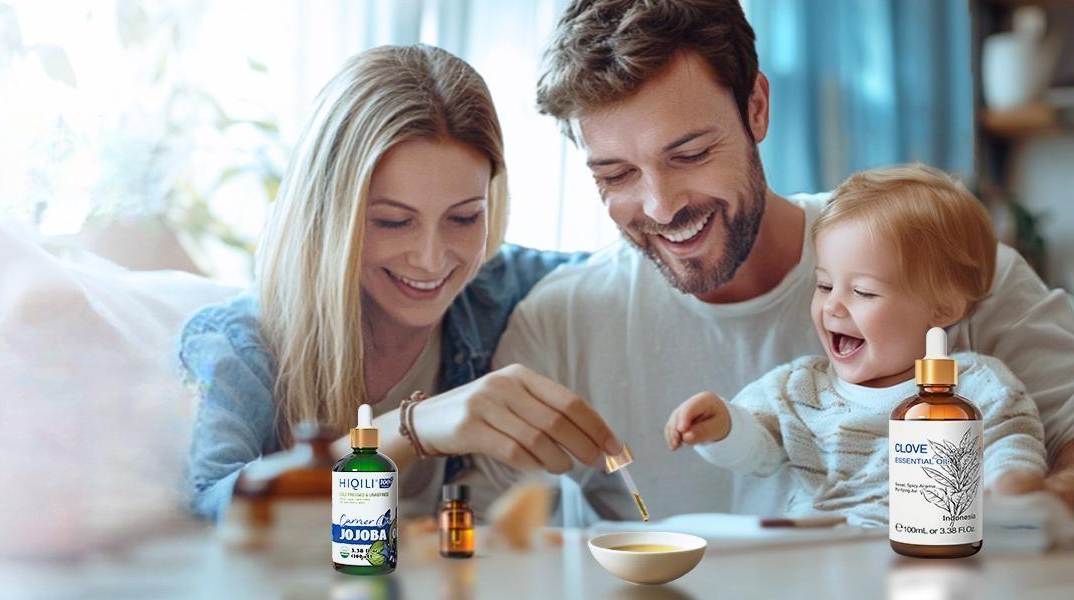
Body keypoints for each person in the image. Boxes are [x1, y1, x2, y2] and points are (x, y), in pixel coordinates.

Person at [486, 0, 1074, 521]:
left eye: (690, 154)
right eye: (615, 175)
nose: (660, 206)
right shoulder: (558, 323)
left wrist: (1032, 505)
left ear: (757, 108)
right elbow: (482, 533)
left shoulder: (933, 260)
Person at [179, 45, 617, 521]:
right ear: (327, 213)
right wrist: (410, 430)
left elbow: (640, 270)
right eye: (392, 221)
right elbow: (209, 516)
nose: (431, 259)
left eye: (464, 218)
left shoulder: (501, 291)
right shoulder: (238, 345)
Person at [665, 164, 1048, 525]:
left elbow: (1011, 446)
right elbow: (756, 452)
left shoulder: (975, 386)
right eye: (824, 285)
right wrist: (723, 426)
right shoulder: (799, 389)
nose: (833, 306)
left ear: (943, 308)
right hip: (816, 556)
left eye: (863, 291)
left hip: (922, 552)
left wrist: (1009, 485)